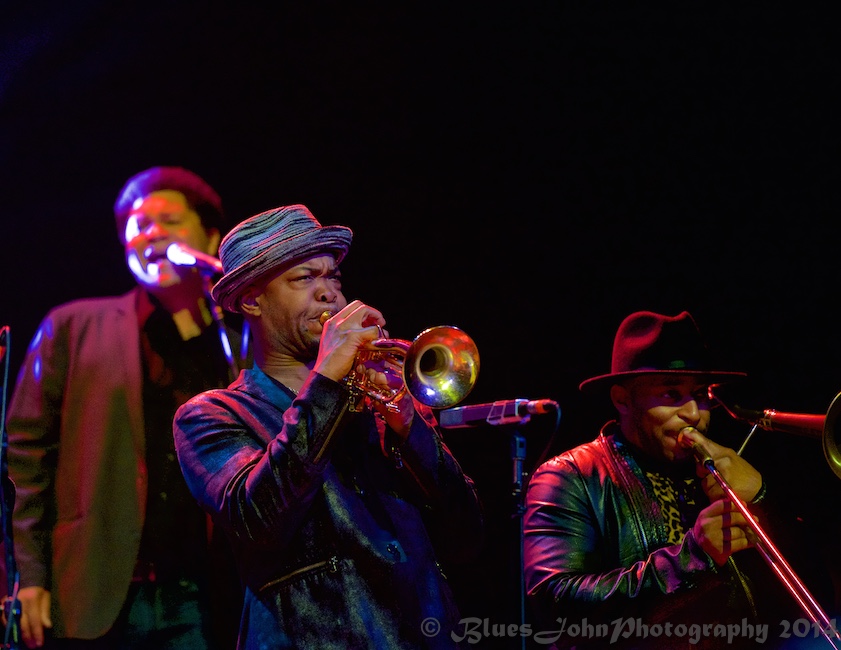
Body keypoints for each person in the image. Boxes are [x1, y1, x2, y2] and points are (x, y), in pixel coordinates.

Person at [171, 203, 484, 649]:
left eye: (332, 276)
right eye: (304, 278)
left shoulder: (385, 399)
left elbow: (467, 538)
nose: (330, 295)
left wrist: (407, 424)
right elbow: (261, 520)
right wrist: (327, 383)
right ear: (251, 299)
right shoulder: (212, 415)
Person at [3, 166, 249, 648]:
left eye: (168, 220)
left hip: (207, 595)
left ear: (210, 237)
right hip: (95, 589)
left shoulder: (237, 344)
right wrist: (26, 576)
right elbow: (25, 460)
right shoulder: (73, 326)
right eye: (138, 225)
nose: (150, 233)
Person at [523, 310, 836, 650]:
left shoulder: (723, 467)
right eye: (671, 394)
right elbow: (557, 607)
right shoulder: (570, 476)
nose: (693, 414)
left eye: (701, 394)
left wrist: (762, 498)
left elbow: (816, 597)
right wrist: (692, 557)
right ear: (622, 400)